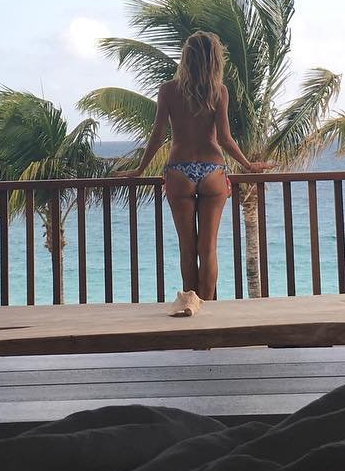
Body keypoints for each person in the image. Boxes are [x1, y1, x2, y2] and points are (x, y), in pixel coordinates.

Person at [115, 31, 269, 316]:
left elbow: (157, 136)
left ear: (186, 58)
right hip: (212, 170)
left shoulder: (168, 90)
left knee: (188, 249)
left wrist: (139, 169)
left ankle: (189, 305)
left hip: (179, 171)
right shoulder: (219, 91)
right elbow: (225, 139)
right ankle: (203, 313)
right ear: (215, 60)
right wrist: (248, 165)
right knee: (207, 249)